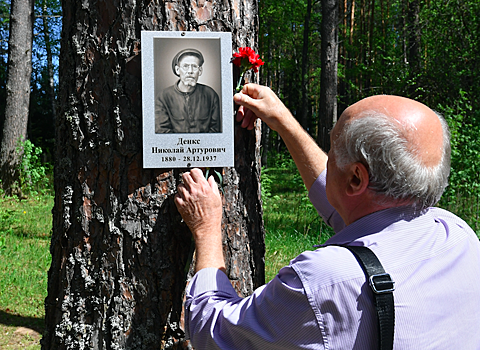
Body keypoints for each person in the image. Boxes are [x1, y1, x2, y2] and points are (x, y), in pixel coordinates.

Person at [174, 84, 480, 349]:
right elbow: (356, 210)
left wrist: (207, 228)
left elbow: (214, 335)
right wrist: (284, 123)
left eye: (332, 145)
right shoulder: (457, 236)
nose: (328, 155)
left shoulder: (322, 283)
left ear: (357, 179)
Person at [155, 48, 221, 134]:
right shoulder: (163, 97)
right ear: (177, 70)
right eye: (185, 66)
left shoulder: (210, 95)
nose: (190, 71)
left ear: (200, 71)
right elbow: (161, 131)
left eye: (194, 67)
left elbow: (215, 130)